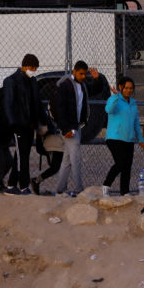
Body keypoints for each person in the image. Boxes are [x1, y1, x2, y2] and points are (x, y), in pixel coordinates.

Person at [2, 54, 42, 195]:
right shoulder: (12, 81)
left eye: (35, 68)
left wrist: (38, 122)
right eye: (32, 67)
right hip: (18, 125)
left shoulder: (32, 81)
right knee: (22, 156)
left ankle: (12, 185)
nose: (34, 70)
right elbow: (8, 104)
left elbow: (36, 103)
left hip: (29, 125)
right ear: (24, 66)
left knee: (22, 154)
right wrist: (13, 123)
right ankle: (24, 186)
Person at [52, 60, 90, 196]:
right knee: (76, 158)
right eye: (81, 74)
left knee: (67, 160)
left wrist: (99, 80)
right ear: (74, 71)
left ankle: (60, 189)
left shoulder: (82, 85)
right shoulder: (65, 85)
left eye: (85, 74)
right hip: (69, 128)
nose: (83, 76)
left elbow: (93, 90)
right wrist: (65, 129)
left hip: (76, 126)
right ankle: (79, 189)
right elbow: (60, 109)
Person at [102, 76, 144, 196]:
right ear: (121, 87)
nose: (129, 90)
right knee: (120, 163)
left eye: (131, 88)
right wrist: (115, 96)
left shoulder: (133, 103)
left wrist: (140, 138)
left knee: (127, 167)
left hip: (128, 139)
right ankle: (106, 185)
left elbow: (136, 122)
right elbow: (108, 109)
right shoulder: (114, 99)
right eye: (126, 88)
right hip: (114, 138)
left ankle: (125, 192)